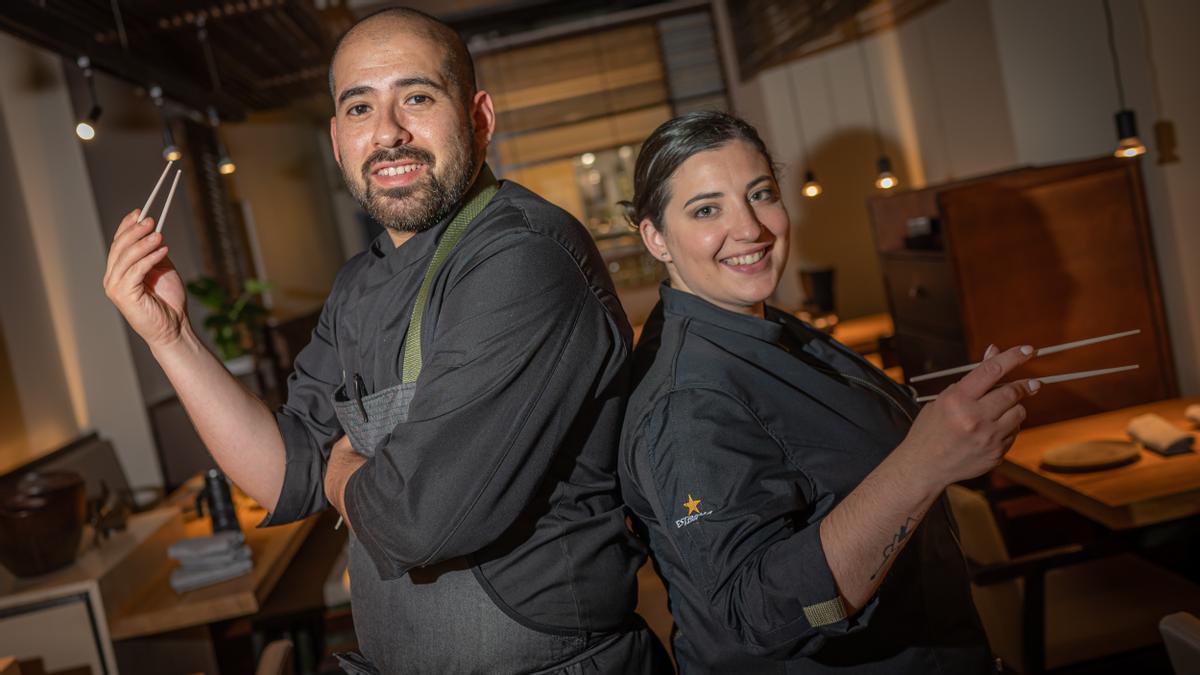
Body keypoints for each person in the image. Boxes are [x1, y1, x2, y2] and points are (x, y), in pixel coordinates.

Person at [103, 8, 670, 674]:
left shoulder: (522, 260)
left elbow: (415, 519)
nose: (389, 134)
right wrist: (170, 337)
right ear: (338, 141)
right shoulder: (358, 285)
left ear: (480, 118)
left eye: (419, 98)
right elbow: (282, 472)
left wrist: (343, 472)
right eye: (360, 109)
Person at [618, 111, 1039, 673]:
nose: (750, 229)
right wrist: (923, 463)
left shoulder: (767, 328)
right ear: (656, 237)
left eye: (760, 194)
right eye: (706, 209)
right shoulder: (687, 404)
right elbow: (756, 614)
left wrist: (956, 433)